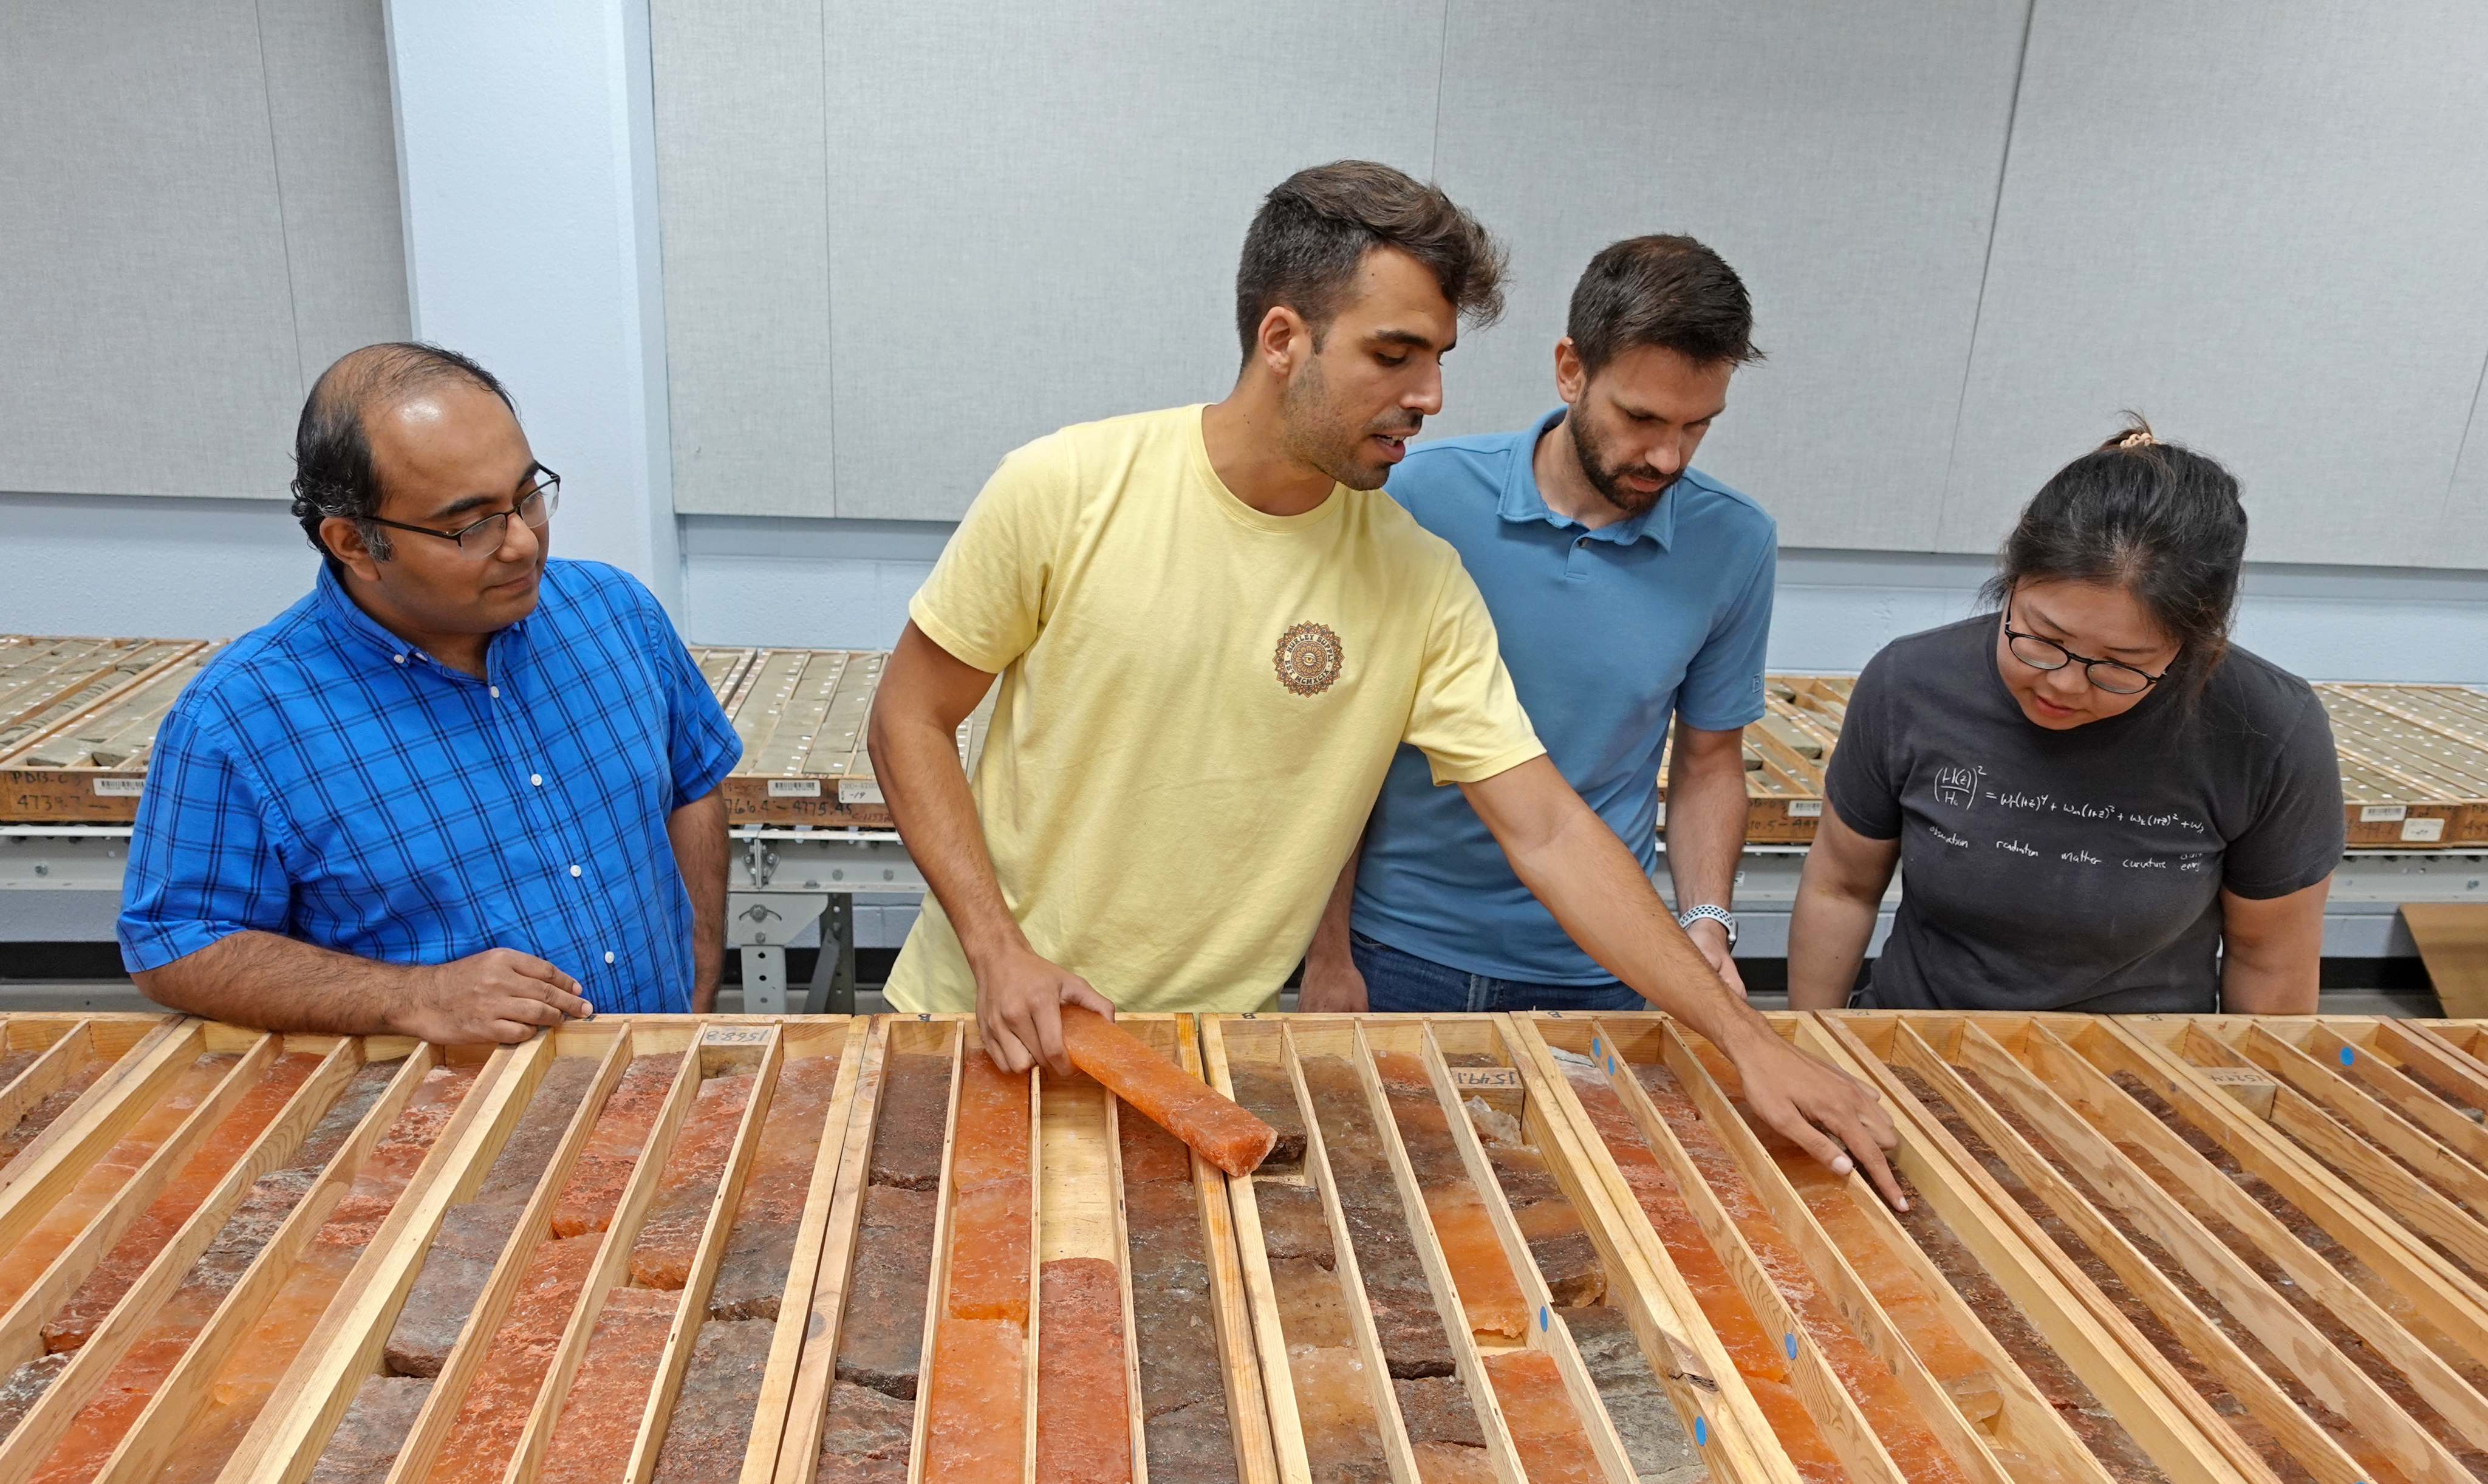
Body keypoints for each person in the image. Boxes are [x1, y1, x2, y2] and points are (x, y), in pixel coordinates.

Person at [869, 161, 1899, 1201]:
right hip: (982, 1025)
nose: (1431, 396)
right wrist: (997, 949)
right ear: (1283, 341)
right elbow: (910, 715)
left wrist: (1741, 1033)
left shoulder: (1416, 578)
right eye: (1394, 354)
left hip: (1203, 1060)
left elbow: (1546, 826)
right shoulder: (1067, 488)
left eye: (1439, 358)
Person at [120, 343, 741, 1042]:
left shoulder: (613, 612)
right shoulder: (242, 719)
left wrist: (697, 980)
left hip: (654, 1065)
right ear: (353, 541)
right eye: (470, 524)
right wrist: (411, 994)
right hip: (437, 1124)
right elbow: (177, 944)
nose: (523, 544)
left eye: (528, 495)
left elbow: (692, 783)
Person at [1302, 234, 1771, 1014]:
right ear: (1571, 368)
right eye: (1641, 417)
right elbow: (1342, 748)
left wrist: (1706, 926)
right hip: (1399, 950)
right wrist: (1327, 956)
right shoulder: (1416, 500)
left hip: (1603, 962)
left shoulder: (1735, 542)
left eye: (1697, 426)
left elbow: (1709, 764)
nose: (1666, 457)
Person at [1787, 423, 2342, 1014]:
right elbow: (1840, 889)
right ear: (2012, 579)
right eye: (2043, 638)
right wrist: (1814, 1044)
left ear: (2194, 643)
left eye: (2120, 666)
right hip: (1921, 1036)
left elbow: (2270, 956)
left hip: (2139, 1062)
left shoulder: (2269, 730)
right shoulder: (1910, 684)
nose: (2063, 682)